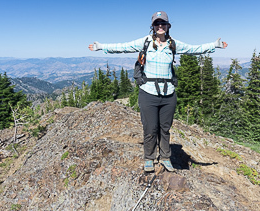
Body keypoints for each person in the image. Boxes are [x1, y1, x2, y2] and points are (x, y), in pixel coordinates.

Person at [88, 11, 227, 172]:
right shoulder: (145, 42)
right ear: (153, 26)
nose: (160, 26)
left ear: (168, 26)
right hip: (148, 93)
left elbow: (194, 49)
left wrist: (214, 45)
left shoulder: (173, 44)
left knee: (165, 128)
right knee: (150, 128)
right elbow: (123, 47)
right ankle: (149, 158)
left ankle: (166, 157)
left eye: (163, 23)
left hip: (168, 94)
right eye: (157, 23)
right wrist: (101, 47)